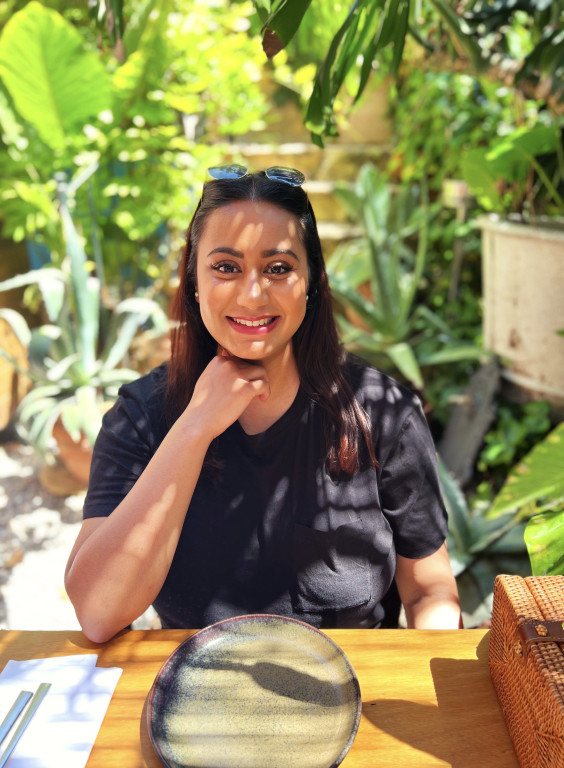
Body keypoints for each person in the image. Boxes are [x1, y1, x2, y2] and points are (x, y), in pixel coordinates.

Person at [65, 165, 461, 643]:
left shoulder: (382, 412)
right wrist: (194, 427)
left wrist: (430, 681)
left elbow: (428, 593)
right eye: (226, 267)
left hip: (355, 682)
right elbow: (98, 613)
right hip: (196, 683)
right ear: (193, 280)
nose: (253, 294)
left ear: (311, 281)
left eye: (278, 268)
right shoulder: (140, 415)